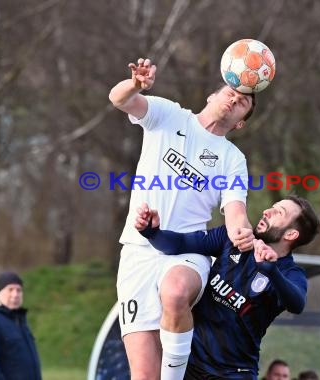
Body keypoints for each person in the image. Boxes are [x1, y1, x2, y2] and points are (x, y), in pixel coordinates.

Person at [109, 57, 256, 380]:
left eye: (243, 101)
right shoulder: (168, 114)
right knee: (144, 376)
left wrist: (242, 232)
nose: (234, 99)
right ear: (211, 97)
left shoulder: (232, 158)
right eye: (230, 92)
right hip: (137, 252)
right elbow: (118, 99)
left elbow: (235, 212)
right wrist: (136, 84)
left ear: (241, 122)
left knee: (176, 291)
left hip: (188, 252)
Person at [134, 194, 320, 379]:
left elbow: (297, 304)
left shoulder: (289, 273)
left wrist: (272, 272)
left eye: (278, 212)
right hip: (190, 363)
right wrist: (152, 232)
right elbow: (181, 243)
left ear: (291, 234)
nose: (267, 211)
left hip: (234, 372)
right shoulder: (235, 237)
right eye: (272, 206)